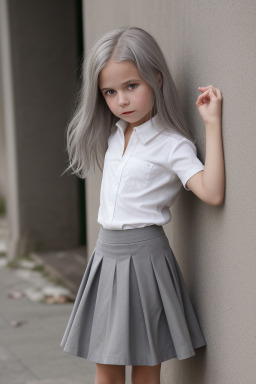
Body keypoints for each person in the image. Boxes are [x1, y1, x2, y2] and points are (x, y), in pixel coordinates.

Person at [60, 26, 225, 384]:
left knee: (146, 367)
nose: (121, 100)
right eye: (110, 92)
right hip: (106, 257)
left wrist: (211, 124)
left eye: (132, 86)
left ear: (157, 79)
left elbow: (211, 192)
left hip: (146, 260)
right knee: (106, 367)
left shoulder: (171, 143)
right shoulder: (116, 133)